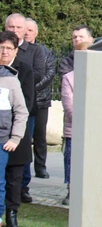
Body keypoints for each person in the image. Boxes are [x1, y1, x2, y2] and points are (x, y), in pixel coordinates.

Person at [1, 31, 34, 227]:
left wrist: (14, 134)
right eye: (1, 47)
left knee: (14, 176)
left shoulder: (24, 69)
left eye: (8, 48)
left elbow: (26, 103)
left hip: (15, 131)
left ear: (15, 50)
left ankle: (12, 213)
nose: (4, 52)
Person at [61, 40, 93, 206]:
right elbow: (69, 105)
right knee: (72, 163)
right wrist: (85, 123)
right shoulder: (69, 78)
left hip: (95, 130)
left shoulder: (101, 75)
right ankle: (71, 191)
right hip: (74, 130)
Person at [24, 18, 55, 179]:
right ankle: (25, 169)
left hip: (41, 100)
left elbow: (49, 73)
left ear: (36, 32)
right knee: (24, 136)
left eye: (30, 30)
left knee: (40, 136)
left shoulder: (44, 51)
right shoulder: (19, 51)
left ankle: (40, 167)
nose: (27, 33)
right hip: (24, 99)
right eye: (25, 29)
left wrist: (31, 87)